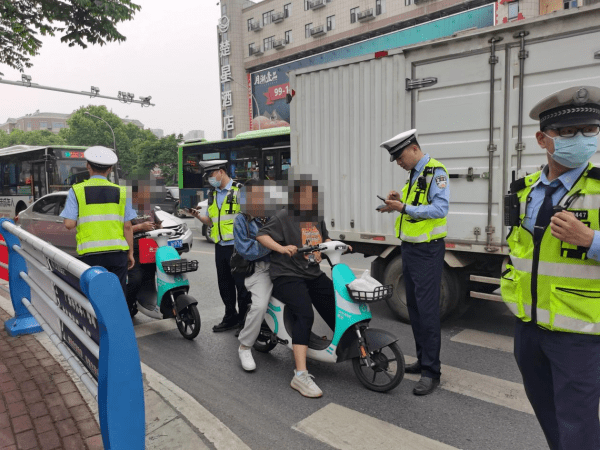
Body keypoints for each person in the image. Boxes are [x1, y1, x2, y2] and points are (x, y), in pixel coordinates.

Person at [501, 85, 600, 449]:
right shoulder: (524, 190)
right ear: (544, 139)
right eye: (570, 132)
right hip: (528, 327)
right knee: (547, 412)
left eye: (590, 130)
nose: (584, 139)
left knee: (579, 426)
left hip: (579, 331)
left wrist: (591, 241)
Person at [379, 129, 450, 396]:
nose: (398, 162)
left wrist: (404, 208)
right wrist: (398, 202)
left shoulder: (435, 171)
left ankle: (432, 372)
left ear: (413, 149)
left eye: (399, 157)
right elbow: (416, 205)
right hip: (410, 249)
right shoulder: (415, 174)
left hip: (427, 251)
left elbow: (440, 208)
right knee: (416, 310)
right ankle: (423, 360)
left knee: (428, 311)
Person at [256, 178, 338, 398]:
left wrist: (330, 246)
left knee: (335, 301)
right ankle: (300, 375)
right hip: (287, 275)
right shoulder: (284, 217)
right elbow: (262, 235)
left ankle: (348, 345)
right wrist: (281, 248)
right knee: (304, 313)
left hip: (311, 273)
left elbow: (324, 237)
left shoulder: (316, 216)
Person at [60, 146, 136, 296]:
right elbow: (127, 227)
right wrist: (130, 253)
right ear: (110, 169)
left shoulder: (76, 190)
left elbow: (69, 224)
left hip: (90, 254)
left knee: (94, 296)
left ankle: (97, 320)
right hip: (117, 253)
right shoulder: (122, 191)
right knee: (117, 296)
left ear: (88, 166)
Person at [189, 160, 251, 332]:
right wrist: (198, 217)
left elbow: (250, 217)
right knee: (225, 284)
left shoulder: (239, 190)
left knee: (242, 286)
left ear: (221, 172)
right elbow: (212, 221)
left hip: (238, 246)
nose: (210, 179)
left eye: (211, 175)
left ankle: (245, 322)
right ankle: (230, 315)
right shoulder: (213, 194)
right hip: (220, 245)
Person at [233, 180, 273, 371]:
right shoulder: (241, 220)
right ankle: (245, 345)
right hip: (259, 269)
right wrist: (274, 245)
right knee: (259, 306)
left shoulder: (274, 215)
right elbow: (246, 250)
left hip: (284, 267)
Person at [126, 180, 163, 318]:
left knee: (149, 277)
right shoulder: (127, 208)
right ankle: (127, 307)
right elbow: (124, 229)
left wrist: (159, 226)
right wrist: (140, 227)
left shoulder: (148, 208)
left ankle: (148, 302)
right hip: (134, 248)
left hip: (150, 247)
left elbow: (158, 223)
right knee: (135, 279)